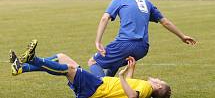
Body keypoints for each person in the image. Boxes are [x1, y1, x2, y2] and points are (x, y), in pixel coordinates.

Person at [88, 0, 196, 77]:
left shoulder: (119, 0)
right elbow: (165, 22)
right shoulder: (148, 3)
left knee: (93, 62)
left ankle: (102, 90)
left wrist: (98, 41)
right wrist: (182, 36)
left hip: (125, 43)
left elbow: (104, 18)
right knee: (114, 64)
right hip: (142, 48)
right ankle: (110, 89)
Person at [11, 40, 171, 98]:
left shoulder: (147, 88)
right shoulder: (144, 87)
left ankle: (34, 59)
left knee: (69, 69)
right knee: (62, 57)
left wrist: (121, 76)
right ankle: (21, 68)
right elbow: (127, 88)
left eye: (159, 81)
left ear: (158, 86)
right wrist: (131, 69)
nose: (157, 79)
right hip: (98, 83)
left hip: (97, 88)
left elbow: (131, 96)